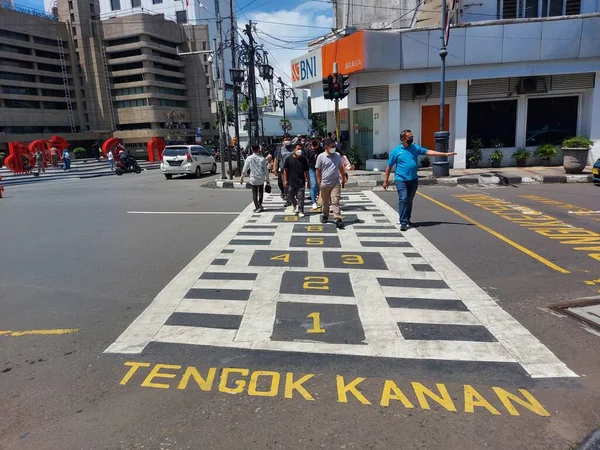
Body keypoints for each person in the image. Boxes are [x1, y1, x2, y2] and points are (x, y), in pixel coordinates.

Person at [383, 129, 457, 231]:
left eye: (412, 137)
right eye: (409, 137)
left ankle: (407, 219)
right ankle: (403, 222)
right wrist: (385, 180)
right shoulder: (396, 151)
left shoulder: (415, 148)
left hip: (413, 180)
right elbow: (389, 166)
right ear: (403, 139)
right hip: (401, 180)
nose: (411, 139)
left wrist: (444, 154)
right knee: (403, 199)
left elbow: (429, 152)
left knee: (409, 201)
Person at [316, 138, 346, 229]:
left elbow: (341, 167)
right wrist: (319, 182)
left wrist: (343, 177)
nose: (334, 148)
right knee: (325, 202)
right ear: (326, 147)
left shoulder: (337, 155)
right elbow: (318, 170)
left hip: (335, 183)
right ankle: (325, 215)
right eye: (332, 147)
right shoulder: (321, 157)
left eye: (335, 146)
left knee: (335, 201)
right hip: (325, 183)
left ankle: (337, 219)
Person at [283, 142, 310, 217]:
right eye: (298, 149)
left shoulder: (303, 160)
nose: (299, 151)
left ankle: (301, 210)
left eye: (301, 149)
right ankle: (294, 204)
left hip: (301, 181)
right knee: (290, 195)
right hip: (291, 181)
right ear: (294, 150)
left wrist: (309, 181)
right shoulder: (289, 159)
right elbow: (285, 170)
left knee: (301, 197)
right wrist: (285, 180)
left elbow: (306, 171)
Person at [240, 144, 269, 213]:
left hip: (253, 178)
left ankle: (257, 207)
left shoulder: (249, 158)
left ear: (252, 150)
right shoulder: (262, 158)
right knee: (261, 192)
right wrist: (267, 180)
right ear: (259, 149)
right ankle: (260, 204)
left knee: (254, 193)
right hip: (261, 177)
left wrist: (242, 177)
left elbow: (245, 169)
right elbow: (266, 170)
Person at [273, 134, 293, 206]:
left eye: (289, 139)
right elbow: (277, 159)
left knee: (292, 184)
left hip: (293, 169)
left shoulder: (294, 148)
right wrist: (274, 168)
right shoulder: (280, 149)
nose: (287, 141)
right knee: (284, 184)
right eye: (286, 140)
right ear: (283, 141)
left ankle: (291, 197)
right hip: (283, 169)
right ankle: (287, 198)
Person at [306, 138, 323, 211]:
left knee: (320, 185)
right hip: (312, 169)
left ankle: (321, 200)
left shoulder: (321, 149)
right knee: (313, 185)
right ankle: (314, 202)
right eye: (313, 141)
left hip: (321, 170)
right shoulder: (307, 150)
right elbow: (306, 161)